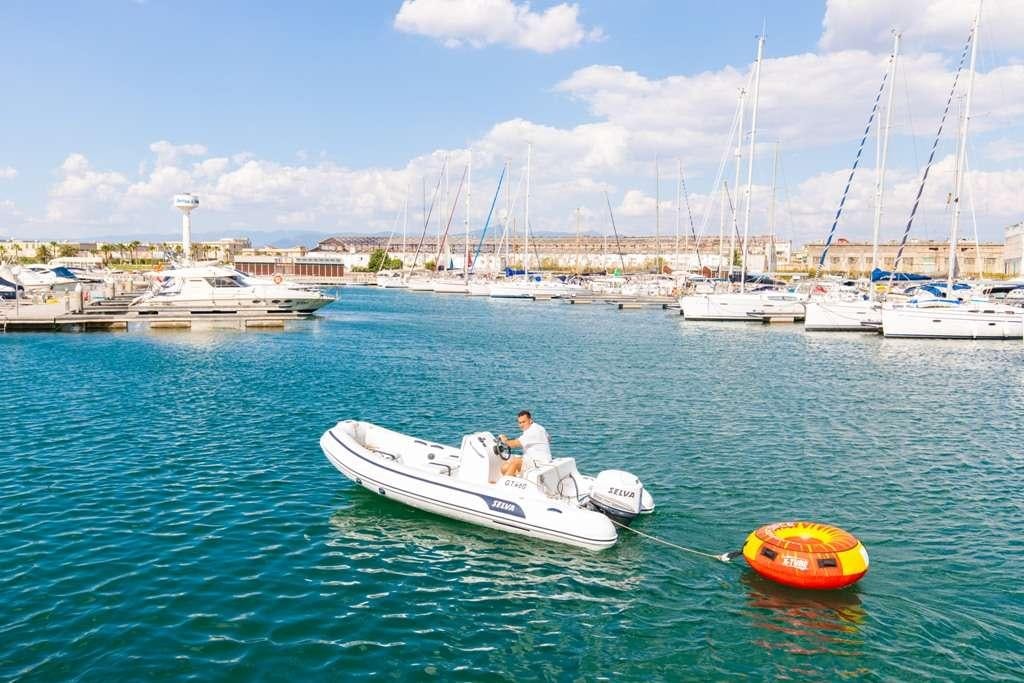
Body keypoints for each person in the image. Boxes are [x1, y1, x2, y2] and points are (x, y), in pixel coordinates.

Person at [498, 410, 551, 477]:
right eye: (520, 423)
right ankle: (514, 481)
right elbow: (549, 438)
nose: (521, 425)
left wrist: (505, 440)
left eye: (524, 422)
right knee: (504, 468)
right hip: (540, 460)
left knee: (516, 462)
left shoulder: (531, 432)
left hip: (539, 463)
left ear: (530, 420)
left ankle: (503, 485)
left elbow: (514, 444)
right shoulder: (540, 427)